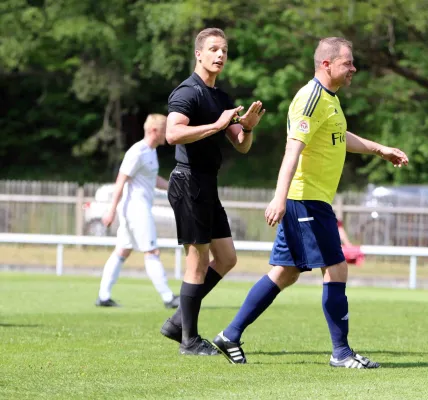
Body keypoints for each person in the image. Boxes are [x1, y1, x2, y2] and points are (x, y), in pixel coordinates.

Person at [211, 37, 408, 368]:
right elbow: (293, 149)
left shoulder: (329, 99)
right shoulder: (311, 98)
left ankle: (230, 335)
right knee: (336, 268)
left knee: (285, 273)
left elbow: (338, 137)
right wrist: (279, 197)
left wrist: (379, 149)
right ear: (326, 64)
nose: (353, 69)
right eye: (348, 63)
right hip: (306, 201)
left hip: (310, 200)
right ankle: (341, 353)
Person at [159, 27, 265, 356]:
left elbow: (241, 144)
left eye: (225, 50)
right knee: (197, 261)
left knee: (227, 258)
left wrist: (246, 127)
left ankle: (178, 322)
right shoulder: (186, 92)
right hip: (188, 182)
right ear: (199, 54)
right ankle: (188, 341)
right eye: (214, 49)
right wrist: (216, 127)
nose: (220, 55)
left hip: (207, 183)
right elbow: (173, 134)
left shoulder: (221, 97)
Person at [95, 114, 180, 309]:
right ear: (154, 131)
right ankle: (168, 298)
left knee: (122, 251)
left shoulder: (151, 152)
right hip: (136, 210)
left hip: (138, 209)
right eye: (165, 130)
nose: (167, 134)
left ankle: (103, 296)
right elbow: (121, 181)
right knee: (152, 251)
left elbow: (152, 179)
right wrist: (111, 211)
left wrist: (172, 188)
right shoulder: (138, 152)